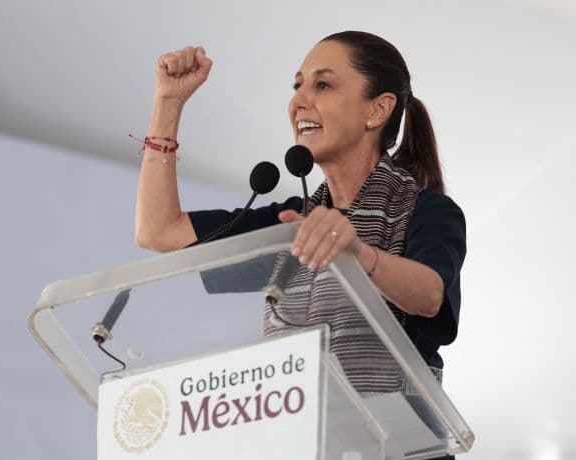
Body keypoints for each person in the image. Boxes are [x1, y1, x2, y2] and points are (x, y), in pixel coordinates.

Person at [135, 31, 465, 458]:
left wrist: (359, 255)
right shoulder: (291, 223)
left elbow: (429, 295)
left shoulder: (424, 209)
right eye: (297, 86)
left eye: (322, 85)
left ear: (378, 109)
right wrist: (167, 106)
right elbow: (158, 231)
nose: (299, 101)